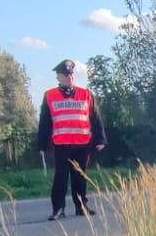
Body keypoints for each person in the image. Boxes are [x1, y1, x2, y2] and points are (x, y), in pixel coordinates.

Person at [37, 60, 106, 218]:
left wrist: (101, 139)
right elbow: (45, 121)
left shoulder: (86, 94)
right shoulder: (50, 95)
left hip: (82, 143)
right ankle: (58, 208)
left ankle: (81, 206)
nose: (70, 77)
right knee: (60, 177)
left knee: (80, 177)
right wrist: (41, 144)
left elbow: (95, 117)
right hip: (61, 144)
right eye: (66, 75)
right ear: (59, 76)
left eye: (71, 74)